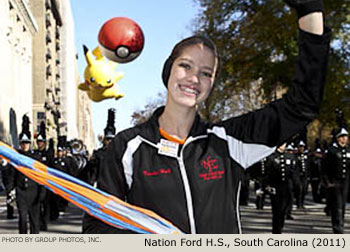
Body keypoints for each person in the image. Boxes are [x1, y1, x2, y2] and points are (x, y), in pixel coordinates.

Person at [83, 0, 330, 234]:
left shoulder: (228, 141)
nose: (193, 79)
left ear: (211, 84)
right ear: (168, 71)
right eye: (186, 66)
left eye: (205, 73)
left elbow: (302, 105)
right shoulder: (128, 147)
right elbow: (98, 227)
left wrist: (310, 12)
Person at [7, 115, 42, 234]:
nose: (25, 145)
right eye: (23, 143)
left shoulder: (36, 158)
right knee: (22, 218)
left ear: (30, 143)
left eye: (27, 143)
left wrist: (42, 193)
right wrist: (10, 190)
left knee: (34, 221)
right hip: (21, 191)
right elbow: (12, 175)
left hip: (34, 191)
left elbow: (41, 177)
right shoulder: (16, 157)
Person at [322, 128, 350, 233]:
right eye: (342, 136)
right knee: (337, 205)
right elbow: (324, 167)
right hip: (334, 181)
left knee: (342, 205)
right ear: (338, 138)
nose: (344, 138)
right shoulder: (332, 151)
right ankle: (338, 228)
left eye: (346, 136)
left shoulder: (348, 150)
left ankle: (340, 223)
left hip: (345, 182)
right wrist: (326, 181)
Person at [265, 143, 295, 233]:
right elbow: (267, 173)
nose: (283, 145)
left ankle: (280, 225)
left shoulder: (289, 156)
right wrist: (267, 186)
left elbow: (293, 172)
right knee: (277, 210)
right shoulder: (271, 157)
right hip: (276, 187)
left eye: (284, 143)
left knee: (284, 209)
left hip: (287, 187)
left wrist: (296, 185)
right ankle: (276, 230)